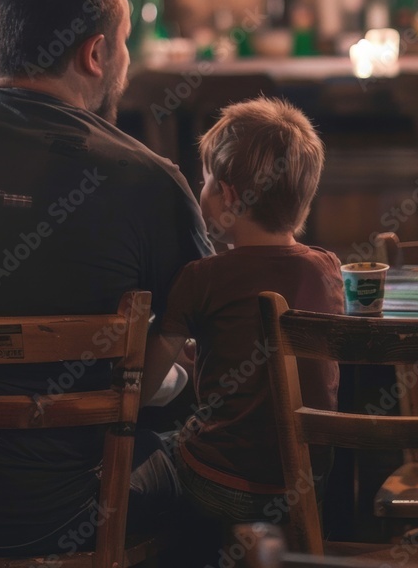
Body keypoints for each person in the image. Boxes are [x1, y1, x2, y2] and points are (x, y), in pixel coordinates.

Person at [0, 0, 213, 556]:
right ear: (96, 54)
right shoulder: (148, 181)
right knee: (219, 467)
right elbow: (219, 343)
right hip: (62, 514)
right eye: (125, 40)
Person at [141, 97, 344, 527]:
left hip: (220, 483)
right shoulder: (328, 269)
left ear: (228, 196)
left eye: (207, 180)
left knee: (143, 453)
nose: (202, 190)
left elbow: (142, 387)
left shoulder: (201, 277)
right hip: (309, 482)